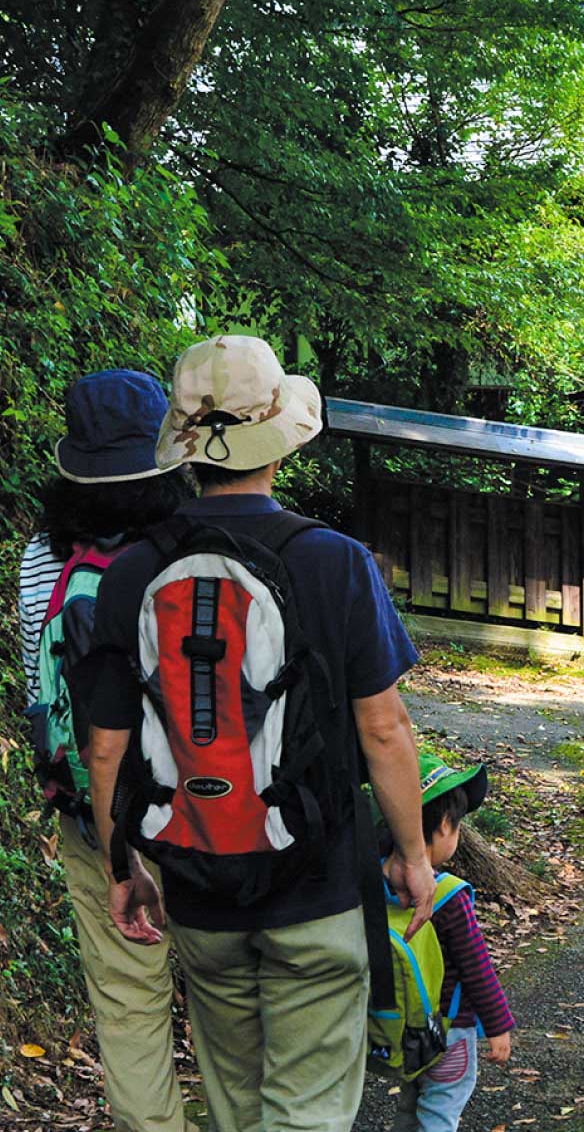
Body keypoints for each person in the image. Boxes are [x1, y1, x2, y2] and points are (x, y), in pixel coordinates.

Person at [79, 335, 436, 1132]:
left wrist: (122, 863)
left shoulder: (134, 572)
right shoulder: (336, 562)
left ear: (186, 449)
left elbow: (105, 745)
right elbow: (384, 729)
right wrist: (413, 855)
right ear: (280, 441)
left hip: (201, 880)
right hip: (317, 884)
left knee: (238, 1108)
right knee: (306, 1110)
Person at [17, 370, 196, 1132]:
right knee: (226, 997)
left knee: (129, 1008)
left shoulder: (38, 559)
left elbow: (39, 684)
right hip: (201, 811)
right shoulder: (189, 552)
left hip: (95, 822)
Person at [391, 755, 516, 1132]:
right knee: (440, 1113)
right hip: (449, 1033)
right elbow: (477, 969)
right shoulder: (447, 895)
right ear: (444, 825)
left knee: (411, 1108)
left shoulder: (377, 886)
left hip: (404, 1030)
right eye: (457, 824)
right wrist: (498, 1027)